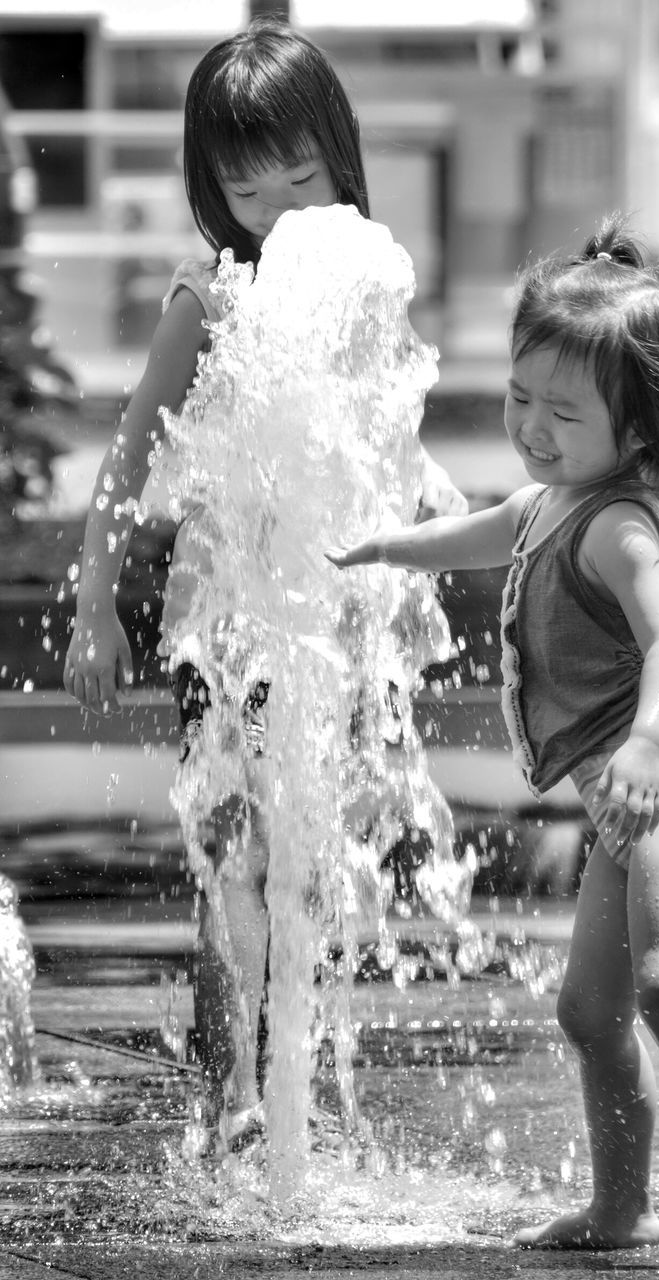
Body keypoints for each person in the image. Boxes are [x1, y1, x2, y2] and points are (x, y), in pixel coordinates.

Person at [328, 215, 659, 1261]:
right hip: (624, 803)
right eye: (519, 396)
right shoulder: (554, 496)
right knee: (587, 1010)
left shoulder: (619, 523)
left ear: (638, 432)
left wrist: (641, 746)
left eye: (561, 412)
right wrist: (391, 544)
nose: (530, 425)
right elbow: (488, 527)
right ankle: (622, 1208)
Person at [62, 16, 464, 1153]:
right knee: (233, 845)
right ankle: (235, 1087)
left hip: (331, 622)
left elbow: (387, 456)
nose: (285, 211)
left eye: (306, 176)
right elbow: (129, 453)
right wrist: (95, 602)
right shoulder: (213, 294)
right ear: (211, 191)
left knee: (309, 856)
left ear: (342, 156)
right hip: (227, 620)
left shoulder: (363, 280)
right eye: (252, 194)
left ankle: (283, 1080)